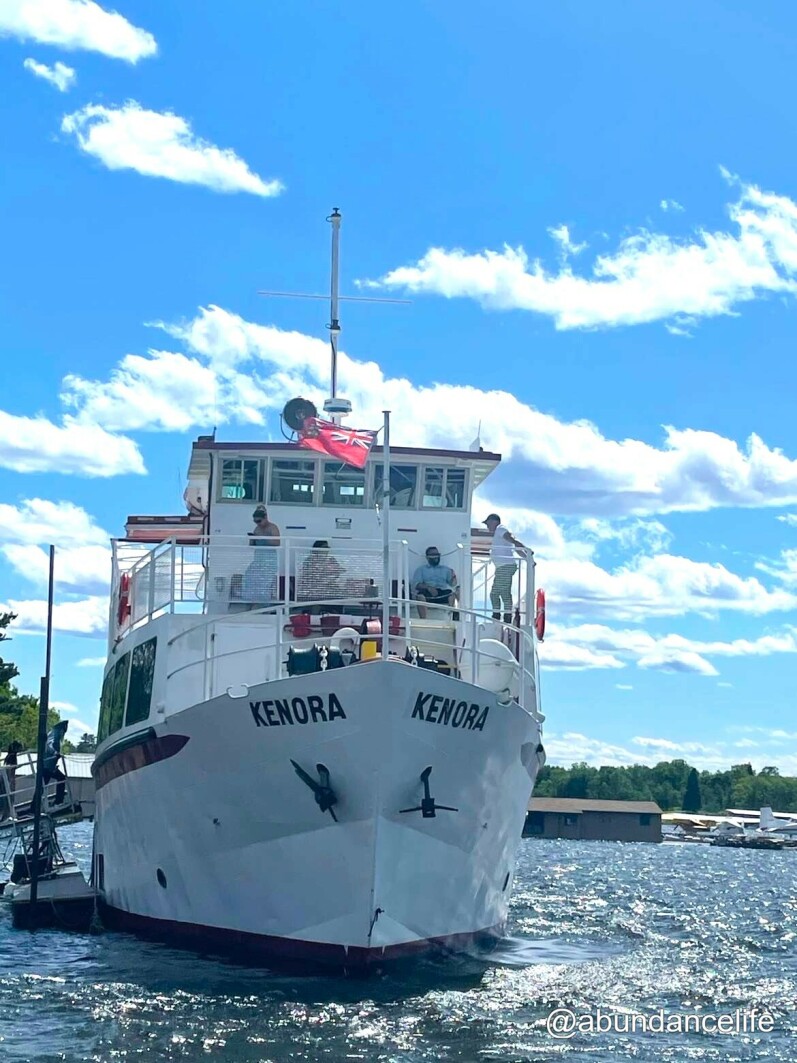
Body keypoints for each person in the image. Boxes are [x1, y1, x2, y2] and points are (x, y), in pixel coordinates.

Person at [483, 513, 527, 623]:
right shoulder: (498, 533)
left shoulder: (500, 529)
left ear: (494, 521)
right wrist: (526, 557)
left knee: (497, 593)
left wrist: (521, 545)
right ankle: (502, 615)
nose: (487, 526)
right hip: (503, 567)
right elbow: (514, 547)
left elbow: (509, 538)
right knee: (503, 592)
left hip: (505, 566)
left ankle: (500, 615)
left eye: (488, 523)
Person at [242, 506, 281, 607]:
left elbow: (277, 542)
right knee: (249, 577)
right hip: (258, 560)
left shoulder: (273, 528)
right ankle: (250, 603)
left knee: (264, 585)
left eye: (259, 521)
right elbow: (252, 545)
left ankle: (265, 607)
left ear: (265, 518)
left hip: (269, 561)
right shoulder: (257, 529)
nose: (258, 523)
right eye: (256, 522)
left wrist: (263, 539)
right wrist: (252, 539)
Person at [411, 546, 458, 619]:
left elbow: (453, 584)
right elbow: (416, 584)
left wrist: (454, 577)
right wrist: (429, 588)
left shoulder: (446, 569)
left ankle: (452, 617)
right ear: (427, 557)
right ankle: (424, 620)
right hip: (428, 592)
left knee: (453, 594)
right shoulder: (421, 569)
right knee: (420, 597)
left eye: (437, 554)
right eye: (433, 554)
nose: (436, 556)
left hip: (442, 592)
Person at [43, 721, 69, 807]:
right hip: (47, 767)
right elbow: (49, 744)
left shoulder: (56, 734)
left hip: (50, 766)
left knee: (42, 786)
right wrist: (55, 753)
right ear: (61, 729)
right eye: (64, 731)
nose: (64, 733)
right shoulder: (54, 734)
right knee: (61, 778)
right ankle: (58, 801)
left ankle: (33, 808)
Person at [0, 741, 23, 820]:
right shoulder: (12, 756)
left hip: (7, 779)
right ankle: (5, 816)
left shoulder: (9, 756)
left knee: (7, 800)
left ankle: (5, 816)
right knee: (9, 799)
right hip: (9, 780)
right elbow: (10, 769)